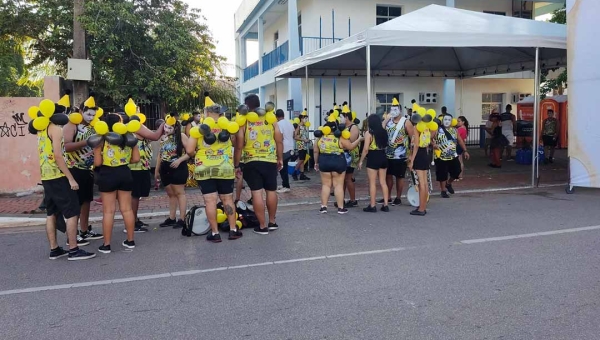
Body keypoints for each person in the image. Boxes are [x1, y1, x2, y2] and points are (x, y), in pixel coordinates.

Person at [32, 96, 96, 260]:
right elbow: (58, 156)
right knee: (73, 211)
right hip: (58, 175)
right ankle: (74, 249)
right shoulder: (56, 129)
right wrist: (71, 178)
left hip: (46, 176)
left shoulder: (42, 128)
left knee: (51, 213)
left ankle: (54, 249)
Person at [186, 103, 243, 242]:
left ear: (206, 113)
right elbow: (237, 144)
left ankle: (215, 233)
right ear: (220, 114)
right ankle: (233, 230)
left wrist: (198, 154)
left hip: (204, 169)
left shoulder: (198, 129)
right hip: (225, 168)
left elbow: (189, 150)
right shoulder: (228, 127)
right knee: (227, 199)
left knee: (210, 201)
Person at [234, 94, 283, 235]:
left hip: (251, 161)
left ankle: (262, 226)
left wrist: (236, 164)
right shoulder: (270, 118)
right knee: (271, 191)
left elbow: (239, 145)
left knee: (256, 193)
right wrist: (279, 158)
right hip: (270, 160)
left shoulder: (245, 121)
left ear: (246, 106)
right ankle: (272, 222)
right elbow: (279, 139)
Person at [94, 113, 140, 254]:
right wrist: (123, 161)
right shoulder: (129, 139)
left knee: (108, 211)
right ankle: (130, 241)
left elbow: (97, 163)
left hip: (107, 174)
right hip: (125, 173)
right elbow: (136, 158)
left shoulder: (101, 140)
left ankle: (106, 245)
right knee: (127, 209)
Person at [63, 93, 102, 246]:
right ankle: (71, 236)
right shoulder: (71, 125)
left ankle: (84, 231)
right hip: (74, 169)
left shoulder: (92, 126)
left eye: (94, 114)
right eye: (88, 114)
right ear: (81, 111)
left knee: (86, 201)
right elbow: (65, 146)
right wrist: (87, 142)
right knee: (75, 204)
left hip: (88, 170)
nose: (91, 117)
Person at [127, 105, 165, 232]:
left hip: (141, 167)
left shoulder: (136, 127)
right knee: (134, 196)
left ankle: (135, 220)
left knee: (136, 196)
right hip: (136, 168)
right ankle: (132, 223)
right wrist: (162, 124)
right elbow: (155, 136)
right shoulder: (136, 126)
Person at [314, 122, 363, 214]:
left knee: (326, 185)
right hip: (338, 161)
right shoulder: (340, 137)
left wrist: (316, 163)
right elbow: (351, 147)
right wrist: (359, 139)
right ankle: (341, 208)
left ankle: (323, 207)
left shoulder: (320, 138)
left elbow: (316, 151)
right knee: (338, 185)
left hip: (324, 161)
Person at [156, 114, 190, 229]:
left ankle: (182, 218)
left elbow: (191, 152)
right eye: (165, 127)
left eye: (169, 128)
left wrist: (179, 160)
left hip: (178, 167)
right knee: (171, 194)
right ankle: (171, 218)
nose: (166, 130)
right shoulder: (162, 137)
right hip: (165, 168)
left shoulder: (181, 136)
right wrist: (157, 170)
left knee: (180, 193)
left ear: (175, 128)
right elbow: (160, 155)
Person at [380, 98, 410, 206]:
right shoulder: (388, 121)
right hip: (387, 153)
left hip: (400, 155)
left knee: (399, 177)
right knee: (388, 176)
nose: (393, 111)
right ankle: (387, 197)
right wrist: (386, 119)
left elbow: (412, 137)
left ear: (400, 110)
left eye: (395, 109)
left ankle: (398, 197)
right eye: (392, 109)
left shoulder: (406, 122)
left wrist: (410, 154)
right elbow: (380, 130)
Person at [433, 113, 470, 198]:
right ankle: (443, 191)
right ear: (442, 120)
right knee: (442, 174)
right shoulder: (437, 129)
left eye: (449, 120)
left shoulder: (455, 130)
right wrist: (433, 144)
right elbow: (430, 138)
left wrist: (465, 151)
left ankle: (448, 183)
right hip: (441, 156)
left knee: (457, 170)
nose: (447, 121)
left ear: (451, 121)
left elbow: (460, 141)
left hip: (453, 155)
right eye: (445, 119)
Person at [358, 114, 390, 212]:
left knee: (372, 183)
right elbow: (384, 123)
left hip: (373, 156)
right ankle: (386, 204)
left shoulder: (369, 133)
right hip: (383, 156)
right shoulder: (384, 131)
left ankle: (372, 205)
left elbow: (366, 149)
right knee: (383, 182)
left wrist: (361, 161)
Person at [407, 113, 431, 216]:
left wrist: (412, 160)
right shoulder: (426, 127)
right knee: (425, 183)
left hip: (419, 155)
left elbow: (416, 145)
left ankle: (421, 209)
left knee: (421, 183)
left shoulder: (417, 128)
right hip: (425, 154)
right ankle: (423, 206)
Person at [340, 105, 360, 207]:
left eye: (341, 117)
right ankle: (341, 200)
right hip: (343, 155)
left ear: (346, 117)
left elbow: (351, 141)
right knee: (342, 179)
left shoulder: (353, 127)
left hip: (350, 156)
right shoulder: (344, 127)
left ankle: (353, 200)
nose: (340, 119)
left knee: (348, 178)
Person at [276, 108, 294, 193]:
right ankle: (284, 184)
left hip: (283, 148)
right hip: (290, 147)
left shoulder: (278, 124)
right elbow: (293, 134)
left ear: (276, 116)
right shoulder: (289, 123)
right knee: (284, 167)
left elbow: (280, 137)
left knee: (282, 167)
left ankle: (286, 186)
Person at [293, 111, 311, 181]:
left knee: (303, 160)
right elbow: (295, 137)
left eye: (306, 118)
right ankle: (294, 172)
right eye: (305, 118)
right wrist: (303, 139)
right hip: (301, 145)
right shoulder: (299, 126)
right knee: (301, 159)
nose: (306, 119)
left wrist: (307, 139)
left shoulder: (305, 126)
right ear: (301, 118)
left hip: (305, 145)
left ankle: (302, 174)